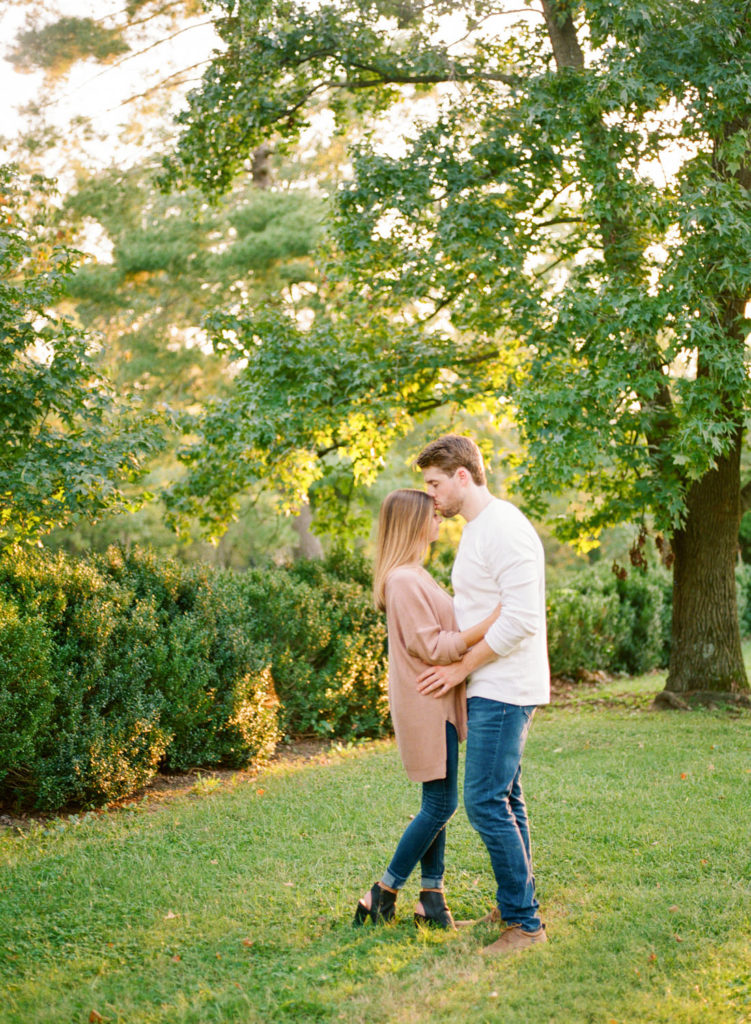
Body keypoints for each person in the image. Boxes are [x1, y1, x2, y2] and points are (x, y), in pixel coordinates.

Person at [415, 434, 550, 955]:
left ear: (463, 476)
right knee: (506, 798)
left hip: (505, 687)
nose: (431, 496)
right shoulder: (477, 530)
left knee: (484, 801)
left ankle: (525, 925)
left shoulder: (505, 528)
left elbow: (521, 618)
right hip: (490, 684)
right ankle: (514, 903)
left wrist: (460, 670)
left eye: (434, 483)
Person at [354, 488, 500, 930]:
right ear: (413, 523)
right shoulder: (403, 580)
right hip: (426, 705)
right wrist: (492, 623)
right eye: (432, 515)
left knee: (437, 802)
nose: (440, 520)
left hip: (435, 702)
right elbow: (435, 646)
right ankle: (381, 892)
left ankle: (431, 901)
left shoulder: (413, 574)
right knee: (441, 806)